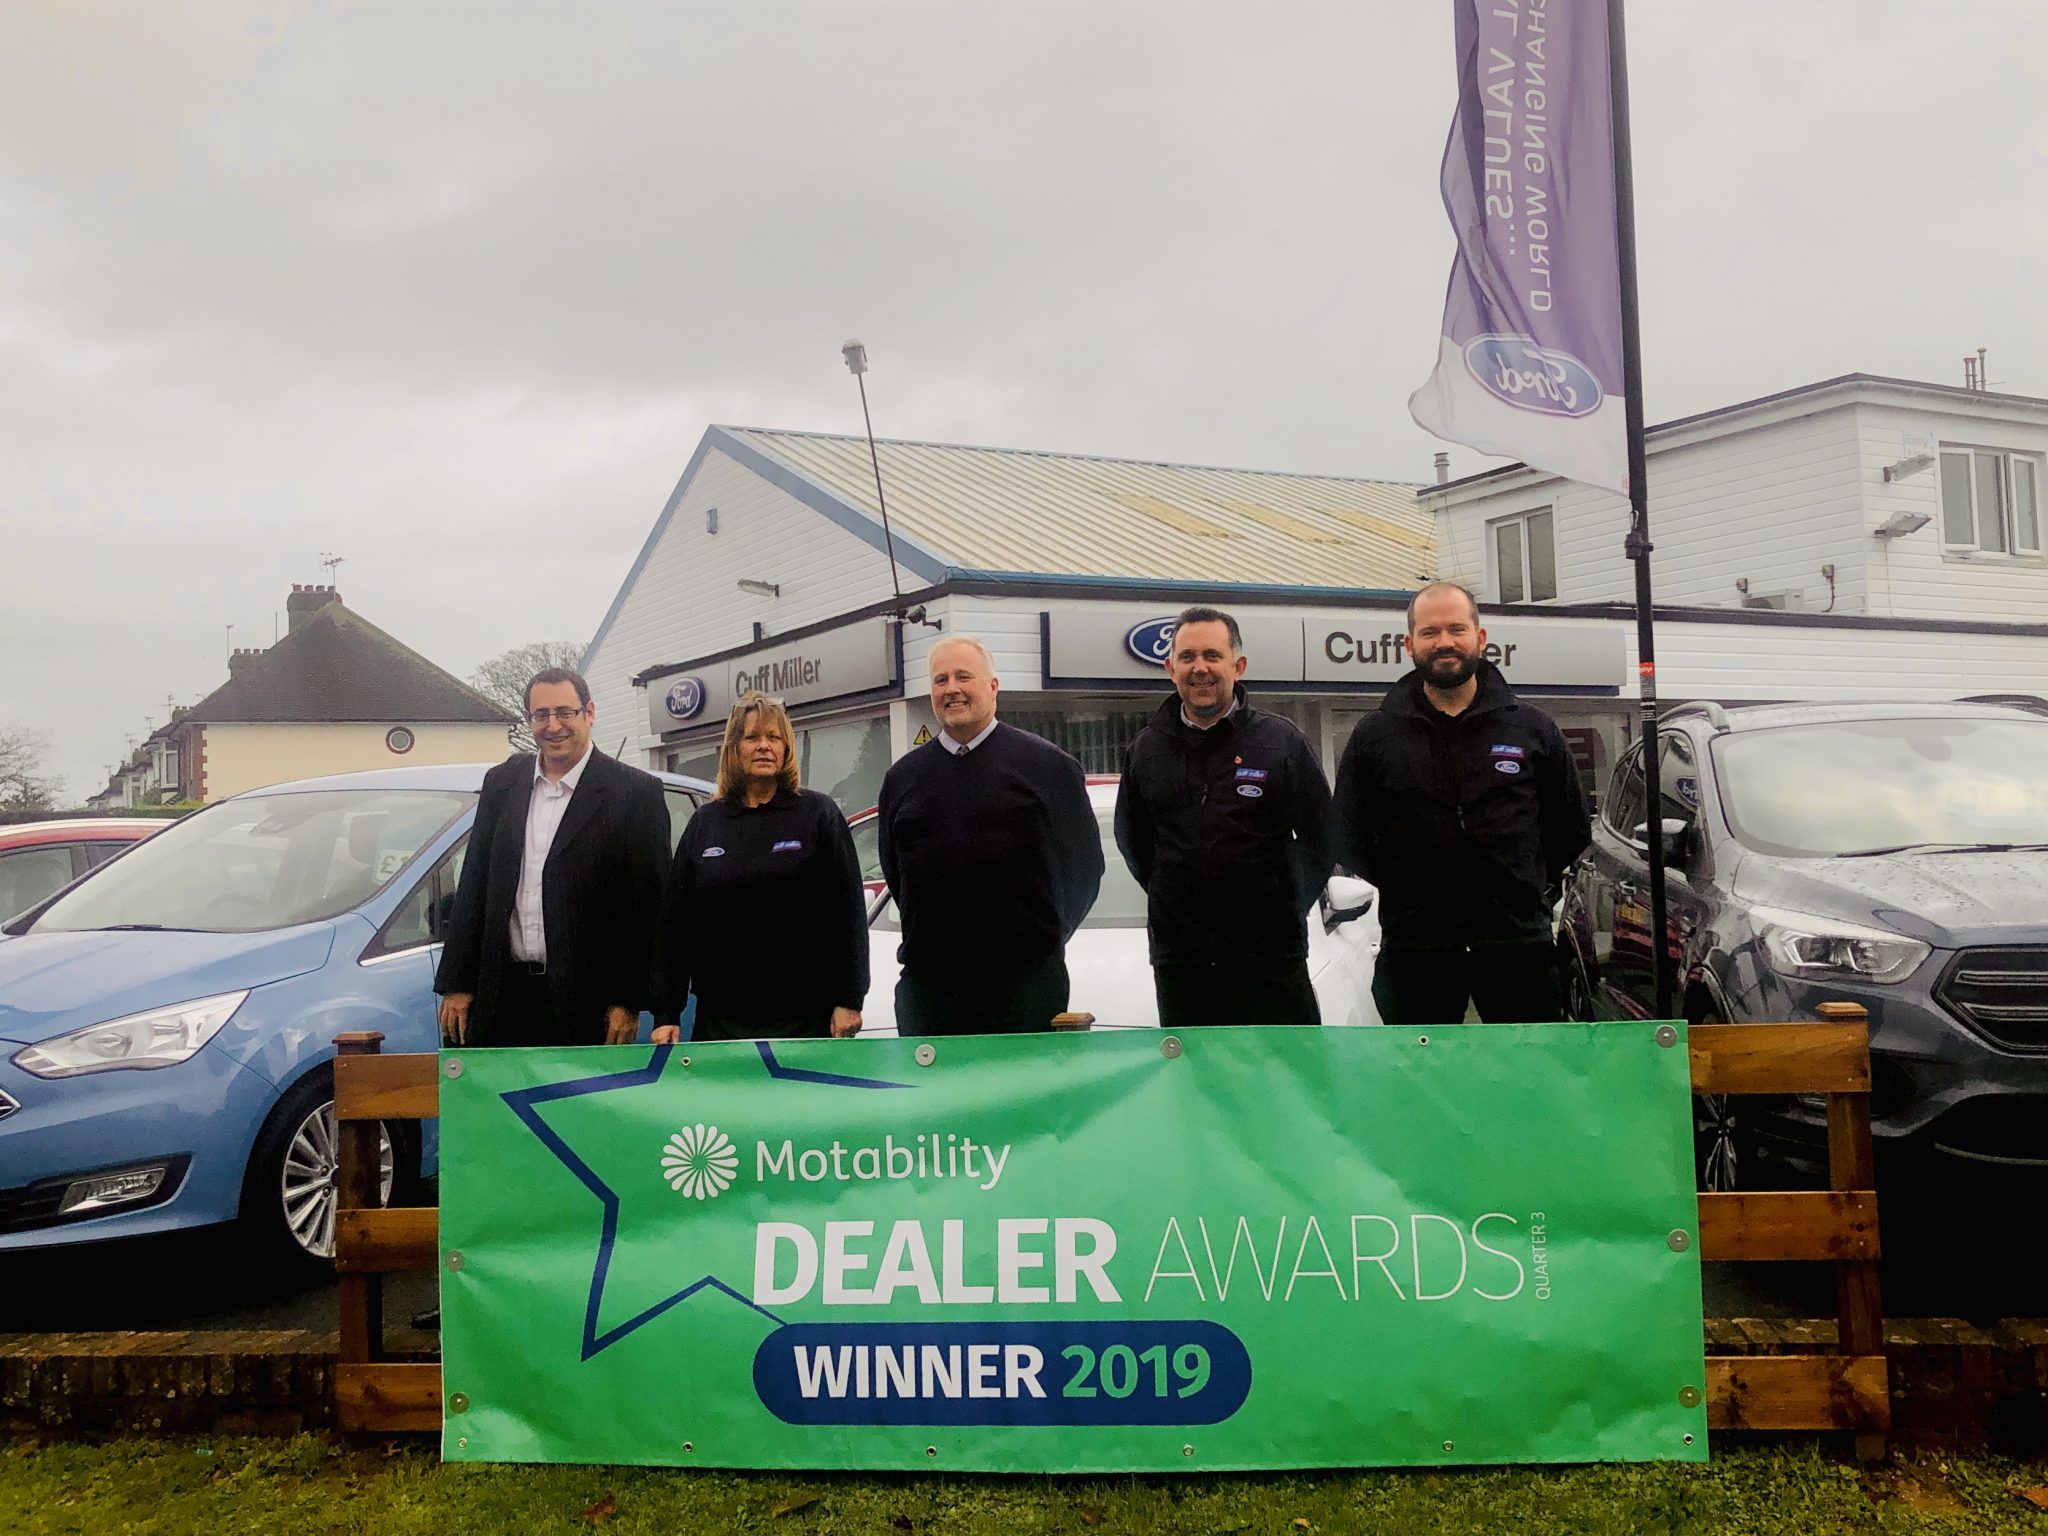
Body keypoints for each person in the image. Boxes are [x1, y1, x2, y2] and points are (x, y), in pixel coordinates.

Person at [1333, 582, 1591, 1026]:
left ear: (1480, 637)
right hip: (1416, 949)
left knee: (1529, 1065)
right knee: (1419, 1070)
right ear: (1409, 644)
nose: (1444, 642)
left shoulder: (1532, 728)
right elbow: (1348, 833)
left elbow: (1569, 826)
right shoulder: (1375, 735)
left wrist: (1521, 882)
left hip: (1517, 947)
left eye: (1456, 629)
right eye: (1430, 632)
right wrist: (1406, 885)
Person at [1114, 606, 1335, 1028]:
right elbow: (1134, 841)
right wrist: (1178, 897)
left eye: (1212, 655)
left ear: (1239, 666)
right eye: (1187, 657)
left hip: (1271, 959)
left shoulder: (1281, 742)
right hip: (1182, 964)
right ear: (1171, 669)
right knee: (1194, 1070)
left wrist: (1280, 906)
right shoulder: (1146, 750)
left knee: (1285, 1068)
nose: (1200, 668)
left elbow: (1322, 838)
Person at [877, 635, 1103, 1035]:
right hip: (929, 991)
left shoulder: (1049, 768)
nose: (952, 688)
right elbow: (896, 872)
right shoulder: (902, 778)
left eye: (964, 676)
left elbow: (1084, 869)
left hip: (1025, 989)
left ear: (993, 686)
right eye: (941, 679)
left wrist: (1043, 938)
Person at [435, 667, 671, 1047]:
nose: (553, 725)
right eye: (541, 715)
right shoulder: (502, 784)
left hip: (588, 1005)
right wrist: (458, 982)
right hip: (502, 997)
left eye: (564, 712)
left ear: (589, 712)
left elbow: (647, 908)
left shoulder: (634, 793)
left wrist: (627, 1001)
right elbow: (475, 882)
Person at [649, 693, 867, 1043]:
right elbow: (676, 924)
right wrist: (666, 1012)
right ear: (734, 748)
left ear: (785, 747)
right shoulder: (706, 823)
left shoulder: (818, 815)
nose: (764, 746)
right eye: (752, 737)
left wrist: (849, 998)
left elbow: (849, 913)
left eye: (773, 737)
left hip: (806, 1017)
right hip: (720, 1020)